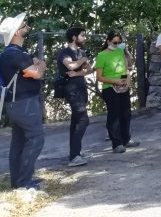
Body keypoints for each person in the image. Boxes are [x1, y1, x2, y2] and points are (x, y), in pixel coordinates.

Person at [0, 13, 45, 189]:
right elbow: (38, 73)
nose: (27, 26)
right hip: (24, 104)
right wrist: (40, 64)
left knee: (18, 142)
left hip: (16, 104)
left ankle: (18, 182)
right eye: (24, 25)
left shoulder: (11, 54)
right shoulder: (15, 55)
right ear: (17, 32)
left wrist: (36, 65)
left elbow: (34, 71)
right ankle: (25, 182)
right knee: (36, 138)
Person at [95, 31, 139, 153]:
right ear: (108, 41)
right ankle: (116, 143)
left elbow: (125, 67)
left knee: (126, 113)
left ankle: (126, 140)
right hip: (109, 88)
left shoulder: (120, 52)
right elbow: (99, 77)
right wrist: (114, 81)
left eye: (120, 43)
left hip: (123, 87)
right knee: (114, 115)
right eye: (115, 42)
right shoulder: (101, 55)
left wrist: (127, 81)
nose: (117, 45)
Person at [57, 26, 91, 166]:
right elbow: (70, 66)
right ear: (74, 37)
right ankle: (74, 157)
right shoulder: (64, 52)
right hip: (71, 89)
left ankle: (75, 153)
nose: (85, 38)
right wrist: (82, 60)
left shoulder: (81, 52)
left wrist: (78, 73)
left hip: (81, 87)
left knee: (76, 121)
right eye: (82, 35)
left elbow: (89, 69)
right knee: (83, 119)